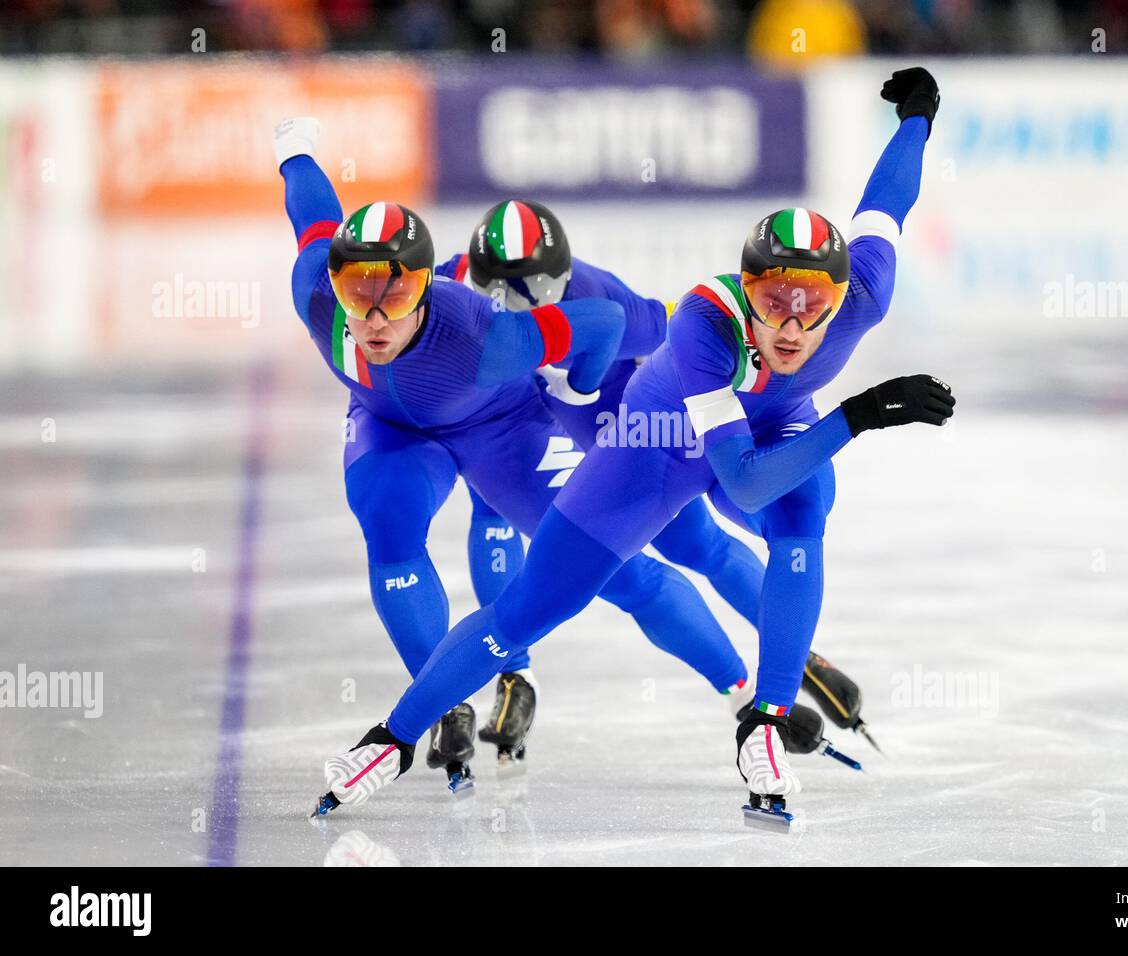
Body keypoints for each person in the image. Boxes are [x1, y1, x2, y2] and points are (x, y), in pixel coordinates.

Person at [312, 67, 955, 826]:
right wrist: (857, 415)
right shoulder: (705, 327)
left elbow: (883, 206)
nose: (787, 325)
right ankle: (391, 738)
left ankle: (765, 719)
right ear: (743, 290)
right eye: (770, 301)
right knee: (531, 608)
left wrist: (917, 116)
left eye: (810, 305)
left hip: (745, 423)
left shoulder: (865, 291)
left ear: (843, 299)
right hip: (657, 443)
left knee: (800, 520)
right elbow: (739, 482)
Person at [274, 117, 777, 795]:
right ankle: (444, 700)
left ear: (424, 287)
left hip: (499, 430)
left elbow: (611, 322)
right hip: (390, 427)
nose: (372, 317)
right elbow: (312, 214)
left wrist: (584, 381)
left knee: (614, 569)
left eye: (393, 294)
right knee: (389, 526)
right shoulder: (316, 295)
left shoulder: (488, 336)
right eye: (355, 292)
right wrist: (294, 147)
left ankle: (738, 693)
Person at [437, 199, 878, 771]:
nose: (529, 304)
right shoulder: (443, 291)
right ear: (473, 278)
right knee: (560, 538)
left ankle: (749, 688)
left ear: (566, 275)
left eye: (545, 286)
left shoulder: (595, 295)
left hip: (620, 421)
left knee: (674, 550)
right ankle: (518, 670)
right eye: (505, 293)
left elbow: (673, 324)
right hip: (520, 422)